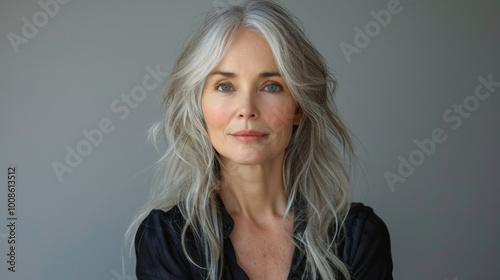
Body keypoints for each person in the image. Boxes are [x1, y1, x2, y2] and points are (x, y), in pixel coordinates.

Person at [128, 0, 393, 279]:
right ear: (199, 107)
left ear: (299, 107)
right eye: (225, 86)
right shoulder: (167, 240)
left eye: (271, 86)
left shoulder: (356, 237)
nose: (247, 109)